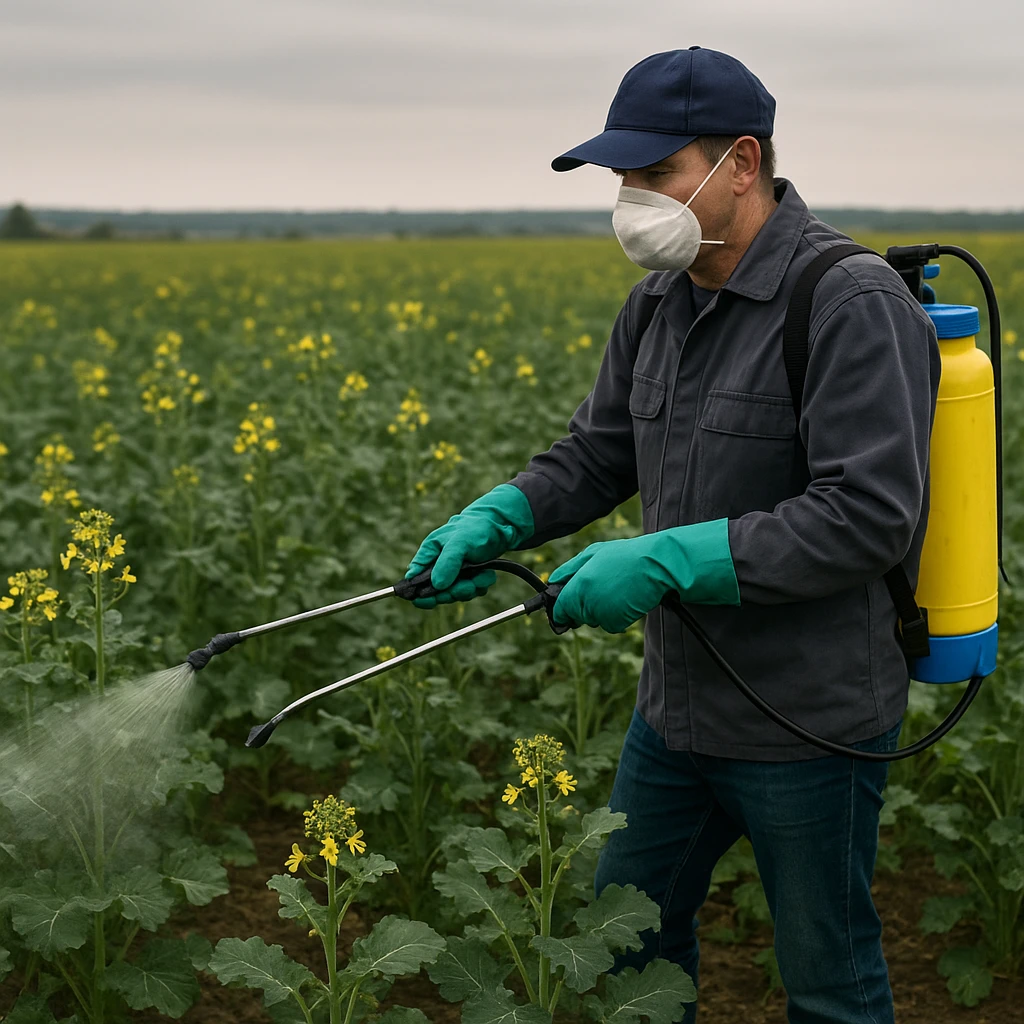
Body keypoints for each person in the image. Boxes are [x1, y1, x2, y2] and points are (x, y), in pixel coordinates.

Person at [405, 46, 940, 1024]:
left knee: (830, 982)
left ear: (741, 163)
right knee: (626, 950)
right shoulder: (657, 300)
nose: (630, 199)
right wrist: (499, 516)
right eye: (622, 178)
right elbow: (598, 454)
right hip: (675, 713)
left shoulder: (849, 301)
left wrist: (664, 558)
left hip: (809, 721)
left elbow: (865, 517)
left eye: (656, 174)